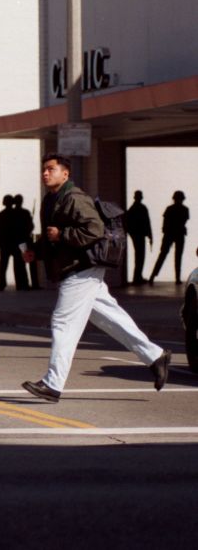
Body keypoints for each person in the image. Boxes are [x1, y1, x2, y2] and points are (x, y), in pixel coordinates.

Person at [20, 154, 170, 403]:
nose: (45, 173)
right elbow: (53, 238)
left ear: (65, 173)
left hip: (82, 268)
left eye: (51, 169)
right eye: (43, 170)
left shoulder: (75, 198)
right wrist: (36, 252)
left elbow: (95, 230)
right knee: (110, 318)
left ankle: (52, 383)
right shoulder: (52, 199)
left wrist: (63, 234)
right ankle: (155, 356)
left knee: (63, 323)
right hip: (76, 268)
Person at [149, 190, 189, 285]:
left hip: (169, 234)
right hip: (178, 234)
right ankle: (177, 278)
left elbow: (165, 222)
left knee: (163, 255)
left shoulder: (170, 209)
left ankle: (153, 276)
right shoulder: (184, 209)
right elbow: (184, 221)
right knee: (177, 257)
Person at [0, 194, 28, 291]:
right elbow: (24, 228)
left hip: (5, 243)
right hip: (16, 243)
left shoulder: (0, 215)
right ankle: (20, 284)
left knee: (3, 265)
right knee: (18, 264)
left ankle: (2, 283)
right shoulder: (18, 214)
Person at [13, 195, 41, 289]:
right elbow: (31, 226)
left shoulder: (13, 213)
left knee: (20, 263)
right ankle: (34, 284)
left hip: (18, 240)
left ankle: (21, 284)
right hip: (24, 239)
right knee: (31, 261)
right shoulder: (25, 212)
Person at [125, 190, 153, 285]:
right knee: (140, 256)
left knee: (139, 256)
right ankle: (137, 277)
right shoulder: (141, 208)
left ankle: (137, 277)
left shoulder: (132, 208)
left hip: (136, 235)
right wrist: (150, 235)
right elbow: (147, 223)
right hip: (139, 235)